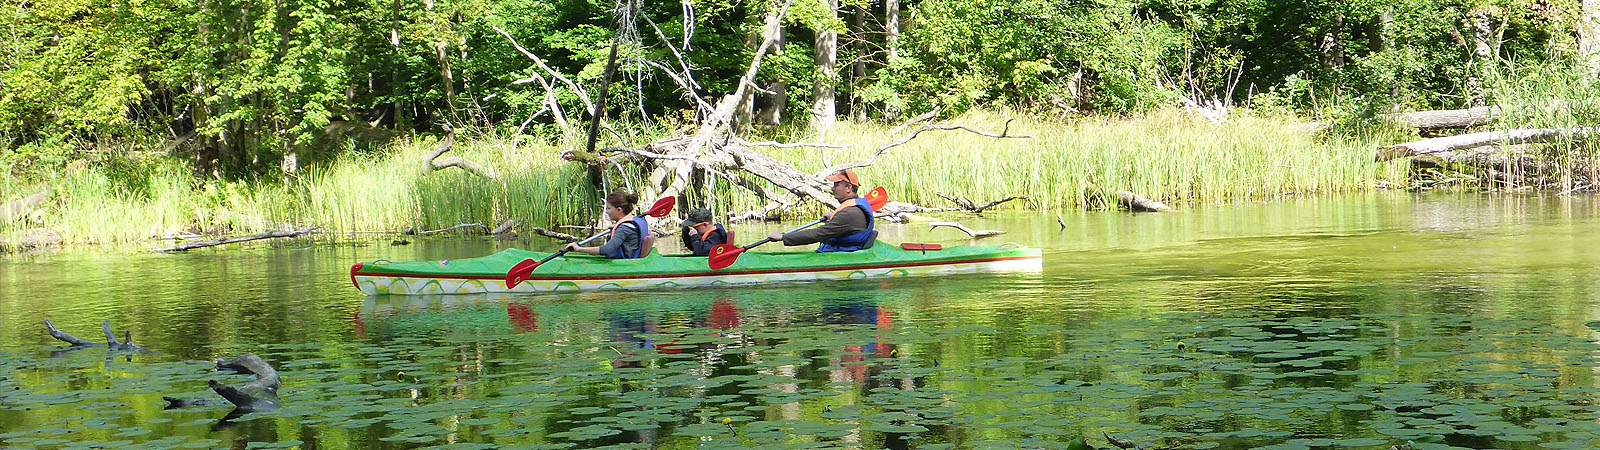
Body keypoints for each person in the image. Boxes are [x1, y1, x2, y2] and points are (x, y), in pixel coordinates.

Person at [767, 169, 875, 253]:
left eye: (836, 185)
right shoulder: (854, 207)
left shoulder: (849, 213)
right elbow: (847, 223)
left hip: (846, 250)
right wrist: (834, 217)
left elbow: (819, 234)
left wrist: (783, 237)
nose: (833, 189)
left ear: (848, 188)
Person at [567, 190, 651, 259]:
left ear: (619, 210)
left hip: (626, 265)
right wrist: (618, 227)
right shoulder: (631, 223)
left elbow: (607, 250)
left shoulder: (624, 228)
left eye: (608, 208)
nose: (606, 211)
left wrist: (579, 249)